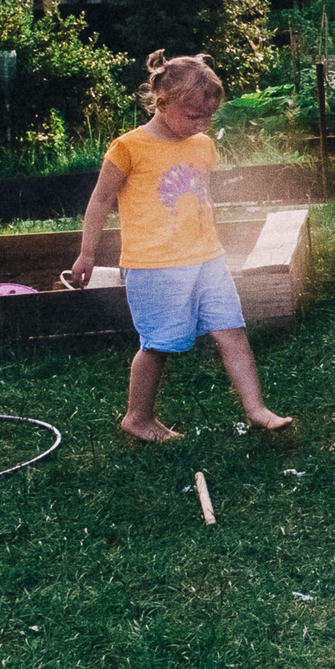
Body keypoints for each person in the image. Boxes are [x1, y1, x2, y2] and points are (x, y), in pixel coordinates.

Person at [69, 52, 293, 442]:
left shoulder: (202, 145)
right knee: (159, 345)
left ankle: (257, 409)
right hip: (154, 265)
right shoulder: (128, 148)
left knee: (233, 329)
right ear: (162, 103)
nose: (201, 124)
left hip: (208, 258)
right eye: (193, 116)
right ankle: (138, 417)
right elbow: (100, 200)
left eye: (208, 117)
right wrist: (87, 252)